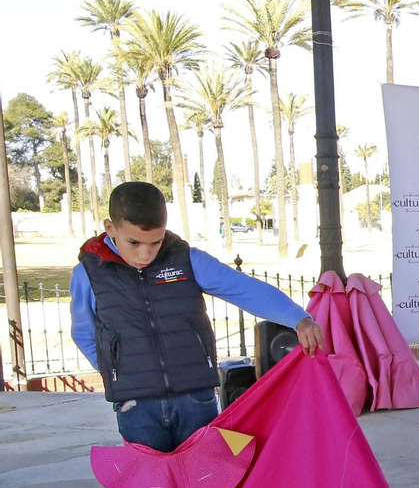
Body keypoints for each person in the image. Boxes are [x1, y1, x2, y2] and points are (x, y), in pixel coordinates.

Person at [70, 180, 323, 453]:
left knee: (205, 485)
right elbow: (83, 331)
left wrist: (299, 318)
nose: (145, 254)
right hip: (136, 406)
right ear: (111, 229)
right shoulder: (88, 273)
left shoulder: (188, 260)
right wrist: (117, 374)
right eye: (134, 242)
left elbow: (245, 289)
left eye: (155, 242)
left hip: (195, 398)